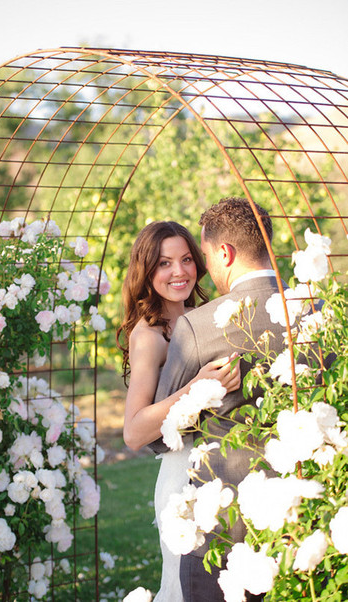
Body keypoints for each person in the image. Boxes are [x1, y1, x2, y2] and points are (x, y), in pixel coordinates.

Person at [149, 197, 289, 602]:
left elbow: (162, 435)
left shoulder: (198, 326)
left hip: (223, 528)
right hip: (299, 520)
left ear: (224, 253)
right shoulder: (314, 311)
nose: (206, 267)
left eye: (205, 256)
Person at [117, 220, 241, 602]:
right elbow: (133, 432)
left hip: (225, 467)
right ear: (147, 271)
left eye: (186, 259)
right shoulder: (149, 336)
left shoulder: (206, 317)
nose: (179, 272)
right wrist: (195, 388)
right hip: (182, 477)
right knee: (187, 587)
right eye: (164, 263)